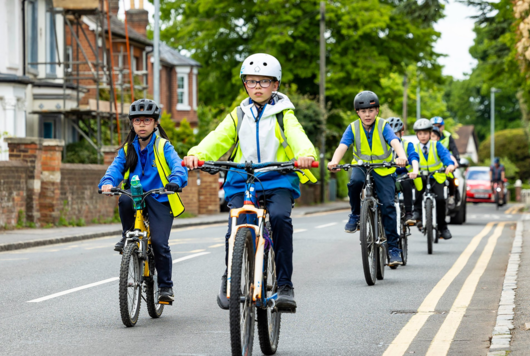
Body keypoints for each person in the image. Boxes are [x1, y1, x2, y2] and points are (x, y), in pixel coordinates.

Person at [183, 53, 317, 312]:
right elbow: (218, 137)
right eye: (252, 81)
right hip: (242, 180)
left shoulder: (283, 114)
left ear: (275, 85)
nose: (257, 87)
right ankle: (229, 278)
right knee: (236, 225)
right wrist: (196, 155)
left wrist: (305, 155)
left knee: (279, 218)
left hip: (277, 179)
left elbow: (297, 136)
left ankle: (285, 285)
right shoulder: (239, 115)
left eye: (264, 82)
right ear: (245, 84)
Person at [99, 99, 188, 302]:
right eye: (137, 120)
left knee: (159, 242)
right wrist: (107, 182)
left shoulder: (163, 146)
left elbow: (178, 166)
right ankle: (127, 235)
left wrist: (175, 181)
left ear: (155, 123)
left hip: (160, 197)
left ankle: (165, 287)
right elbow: (115, 168)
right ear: (132, 123)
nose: (141, 124)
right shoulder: (127, 149)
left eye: (147, 120)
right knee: (124, 198)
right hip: (137, 195)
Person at [327, 91, 408, 266]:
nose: (367, 114)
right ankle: (356, 214)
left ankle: (393, 249)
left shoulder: (383, 125)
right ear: (357, 112)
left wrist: (401, 156)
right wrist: (334, 161)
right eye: (363, 111)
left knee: (387, 205)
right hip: (361, 166)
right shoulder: (353, 127)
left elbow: (395, 142)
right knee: (355, 182)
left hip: (383, 169)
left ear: (377, 111)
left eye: (371, 110)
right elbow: (343, 146)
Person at [412, 119, 456, 240]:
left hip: (436, 176)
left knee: (441, 199)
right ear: (416, 135)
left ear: (430, 133)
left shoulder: (436, 144)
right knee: (418, 193)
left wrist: (450, 165)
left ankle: (443, 227)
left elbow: (445, 155)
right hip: (421, 176)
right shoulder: (414, 147)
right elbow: (410, 161)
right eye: (420, 134)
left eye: (425, 133)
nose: (423, 136)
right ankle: (418, 215)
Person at [386, 117, 420, 225]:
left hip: (402, 175)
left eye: (395, 134)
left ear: (402, 133)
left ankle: (409, 213)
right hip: (386, 176)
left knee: (406, 181)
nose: (392, 137)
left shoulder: (407, 144)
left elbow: (413, 157)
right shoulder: (382, 146)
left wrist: (414, 170)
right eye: (390, 134)